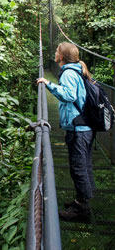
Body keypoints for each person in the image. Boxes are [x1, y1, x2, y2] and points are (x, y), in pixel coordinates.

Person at [37, 42, 95, 221]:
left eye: (57, 51)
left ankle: (82, 209)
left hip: (79, 129)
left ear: (62, 56)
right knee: (83, 165)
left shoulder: (69, 73)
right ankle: (81, 200)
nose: (55, 53)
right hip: (84, 126)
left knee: (78, 168)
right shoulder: (77, 70)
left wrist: (48, 84)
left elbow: (70, 95)